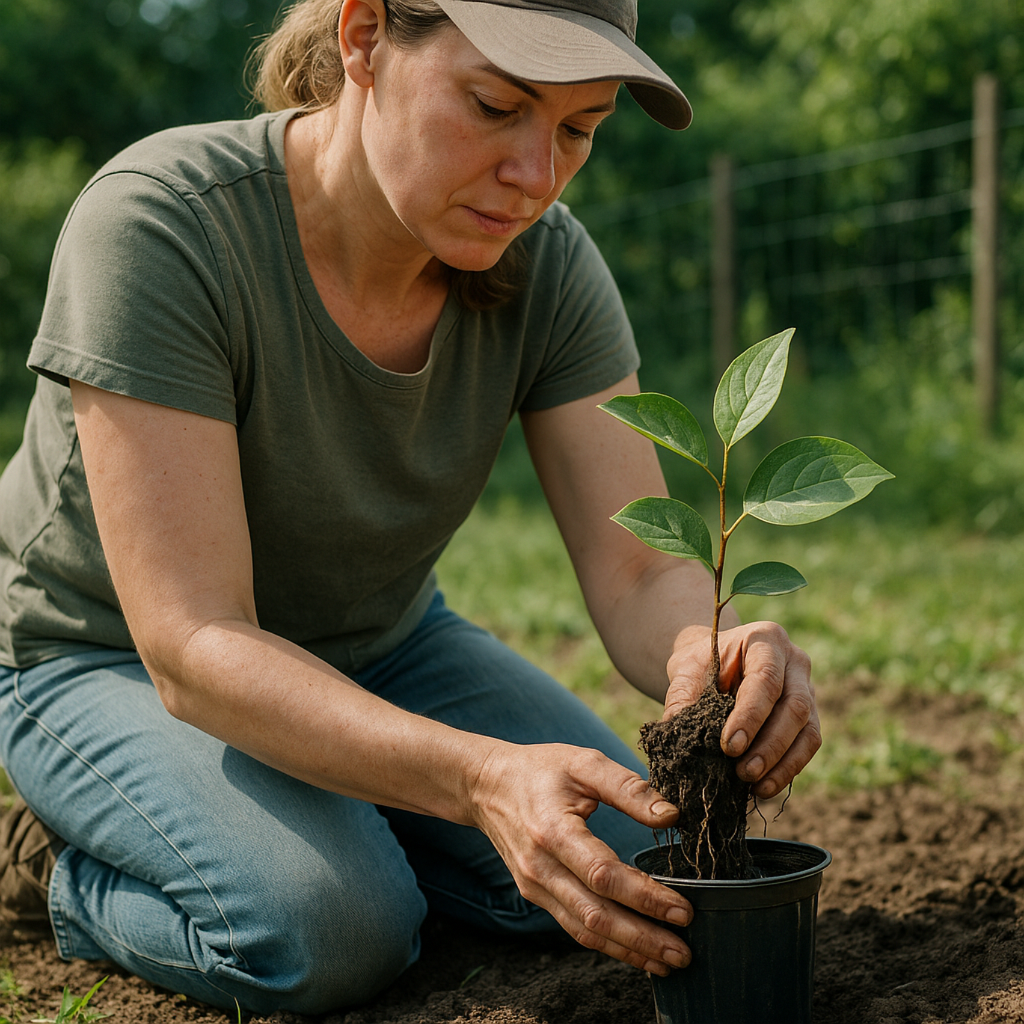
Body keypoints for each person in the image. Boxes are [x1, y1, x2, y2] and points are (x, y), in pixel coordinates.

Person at [0, 0, 820, 1013]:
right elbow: (192, 640)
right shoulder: (162, 224)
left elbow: (641, 569)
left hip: (382, 645)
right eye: (494, 107)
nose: (536, 175)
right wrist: (476, 780)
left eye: (578, 129)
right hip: (104, 660)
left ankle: (358, 822)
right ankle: (56, 866)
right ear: (363, 38)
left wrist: (712, 648)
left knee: (626, 869)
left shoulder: (548, 263)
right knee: (332, 928)